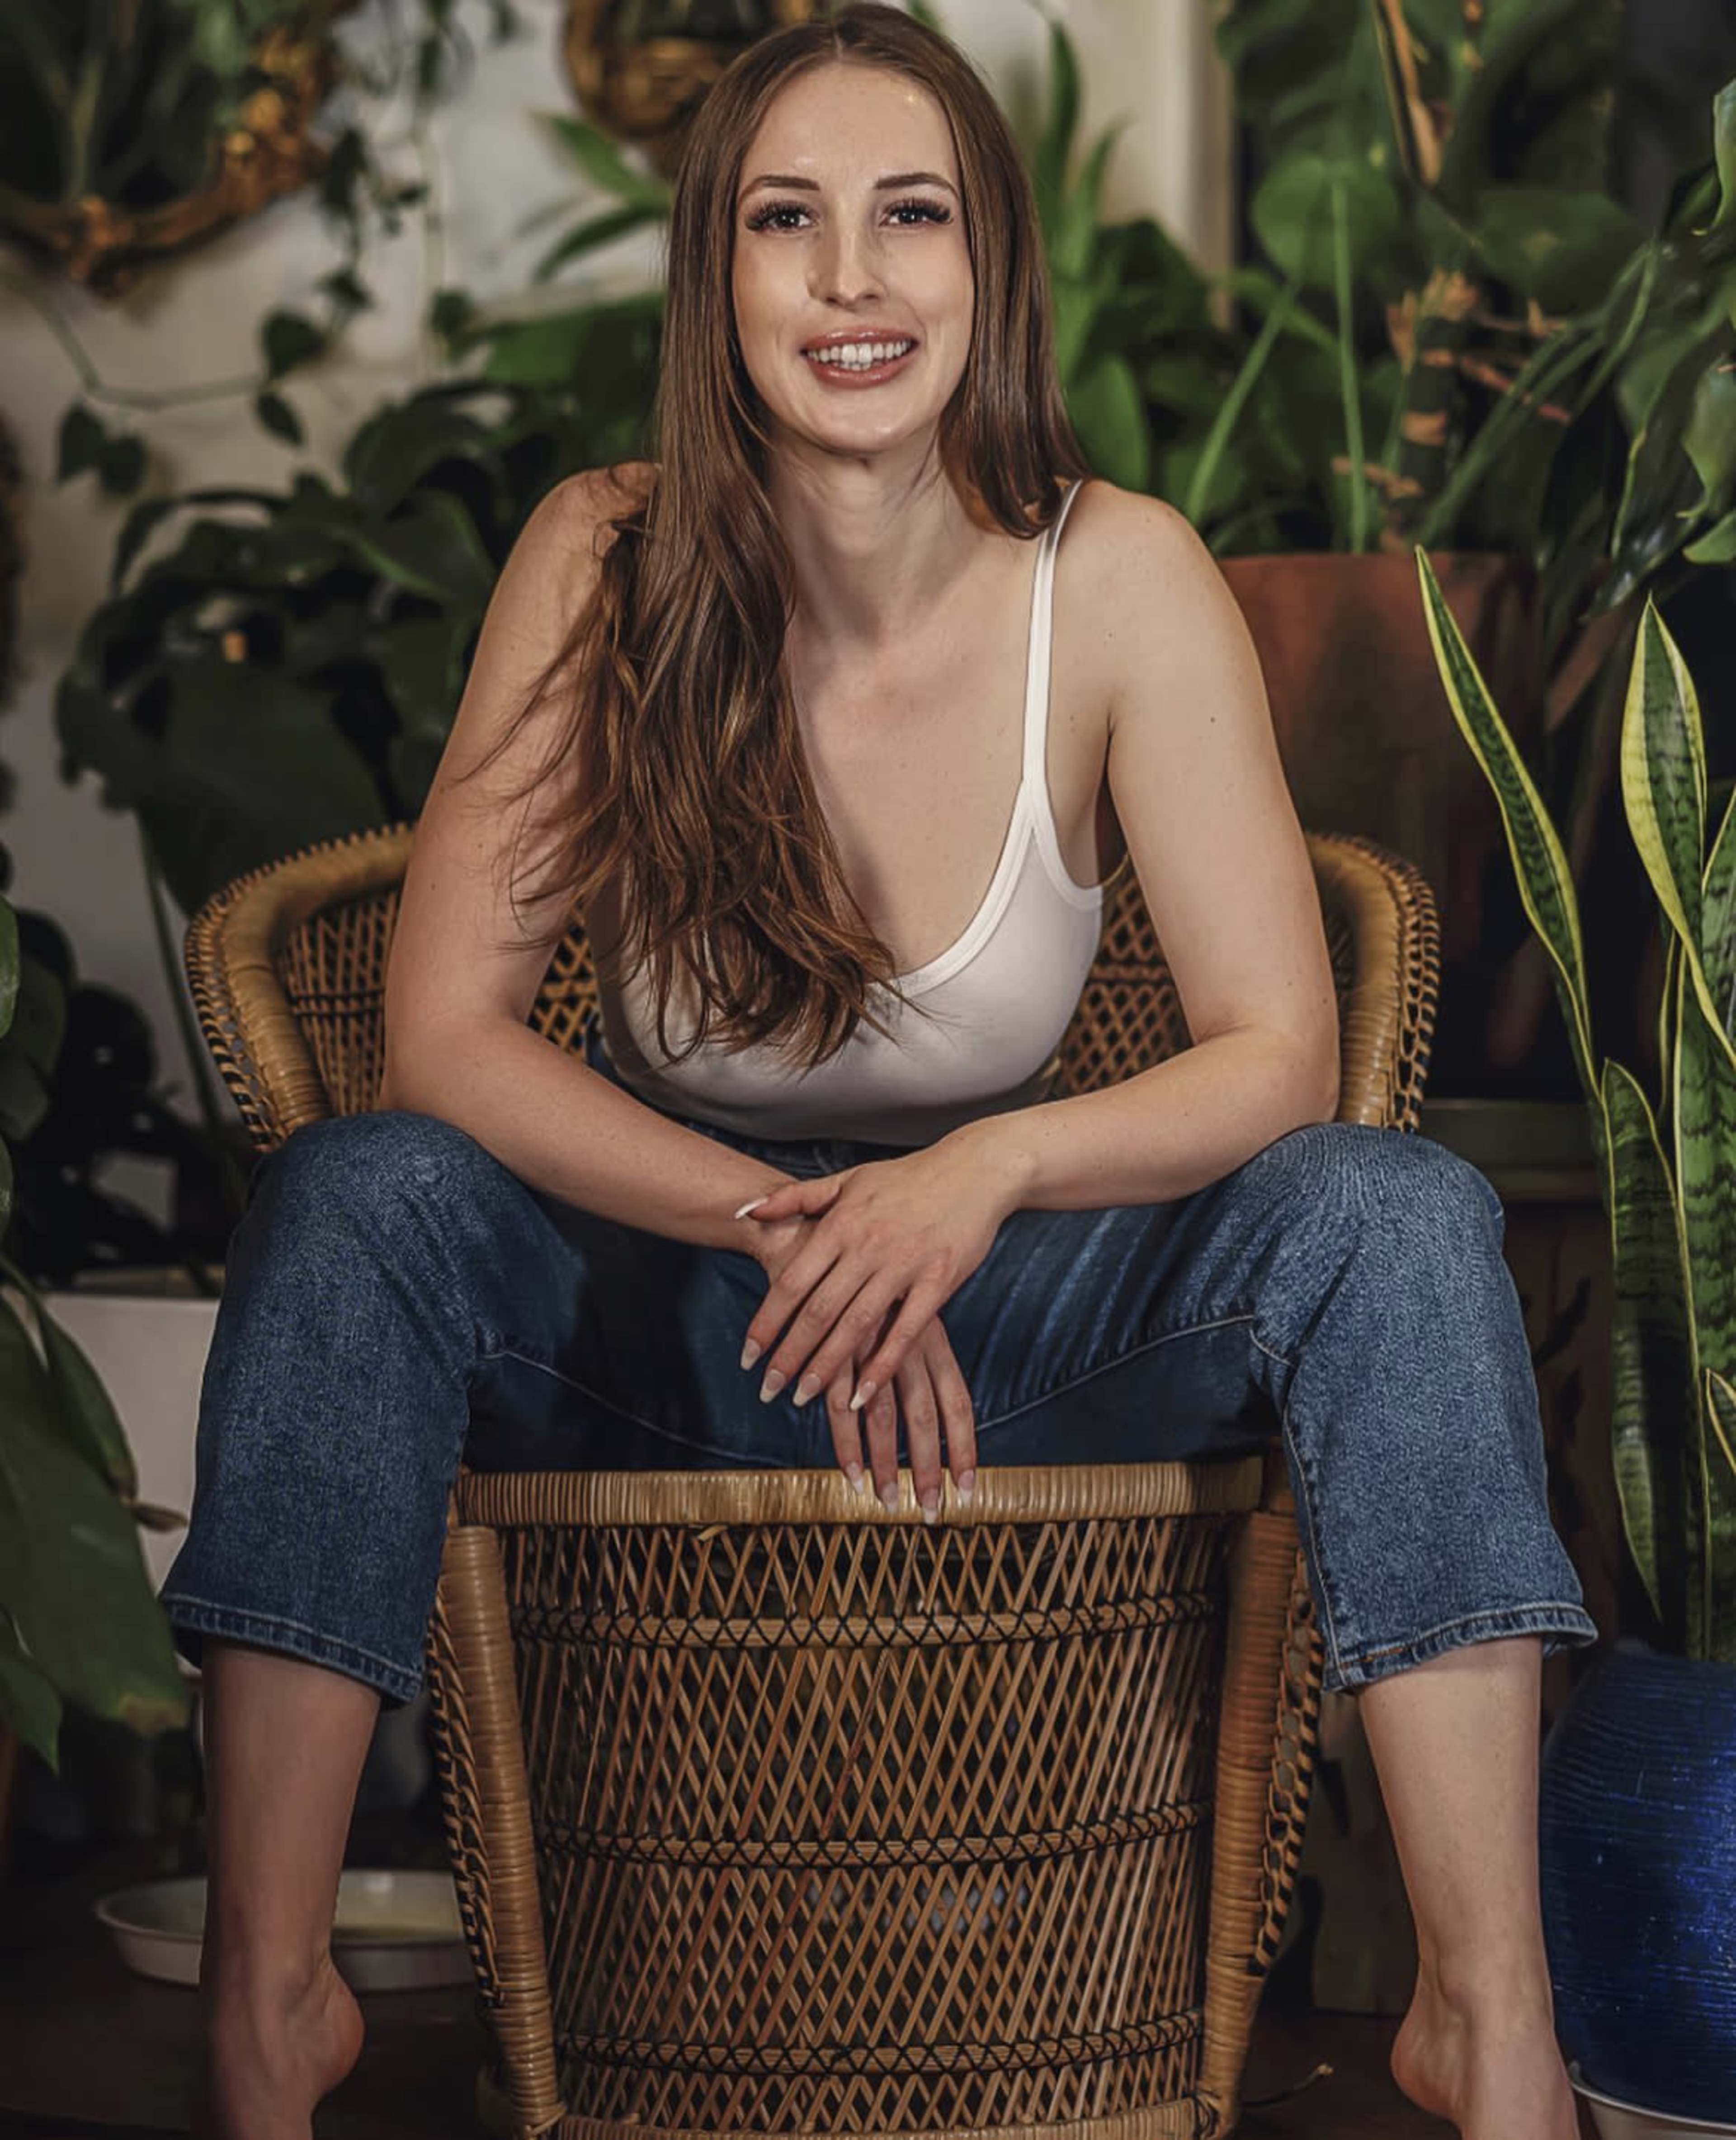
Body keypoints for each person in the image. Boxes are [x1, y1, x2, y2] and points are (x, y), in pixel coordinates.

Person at [157, 7, 1599, 2137]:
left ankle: (1486, 2017)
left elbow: (1281, 1056)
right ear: (716, 282)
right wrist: (789, 1220)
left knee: (1399, 1213)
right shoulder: (606, 559)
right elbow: (445, 1038)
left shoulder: (1117, 580)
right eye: (787, 223)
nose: (852, 280)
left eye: (908, 215)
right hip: (670, 1298)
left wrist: (978, 1178)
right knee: (357, 1192)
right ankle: (271, 2010)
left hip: (1013, 1308)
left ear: (987, 263)